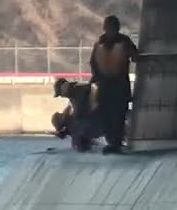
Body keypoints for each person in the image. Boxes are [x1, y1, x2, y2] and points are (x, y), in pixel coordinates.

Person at [90, 15, 137, 153]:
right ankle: (111, 141)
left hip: (120, 86)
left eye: (113, 28)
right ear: (105, 28)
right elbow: (93, 63)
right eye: (109, 28)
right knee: (104, 116)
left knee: (118, 116)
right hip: (104, 86)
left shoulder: (125, 41)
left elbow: (134, 56)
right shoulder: (98, 44)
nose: (111, 30)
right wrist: (96, 78)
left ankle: (116, 143)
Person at [52, 77, 101, 152]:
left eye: (60, 93)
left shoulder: (78, 89)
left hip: (94, 119)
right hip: (87, 121)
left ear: (64, 86)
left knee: (74, 122)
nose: (61, 96)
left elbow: (94, 87)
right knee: (64, 119)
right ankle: (83, 141)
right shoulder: (72, 95)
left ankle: (83, 143)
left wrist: (93, 102)